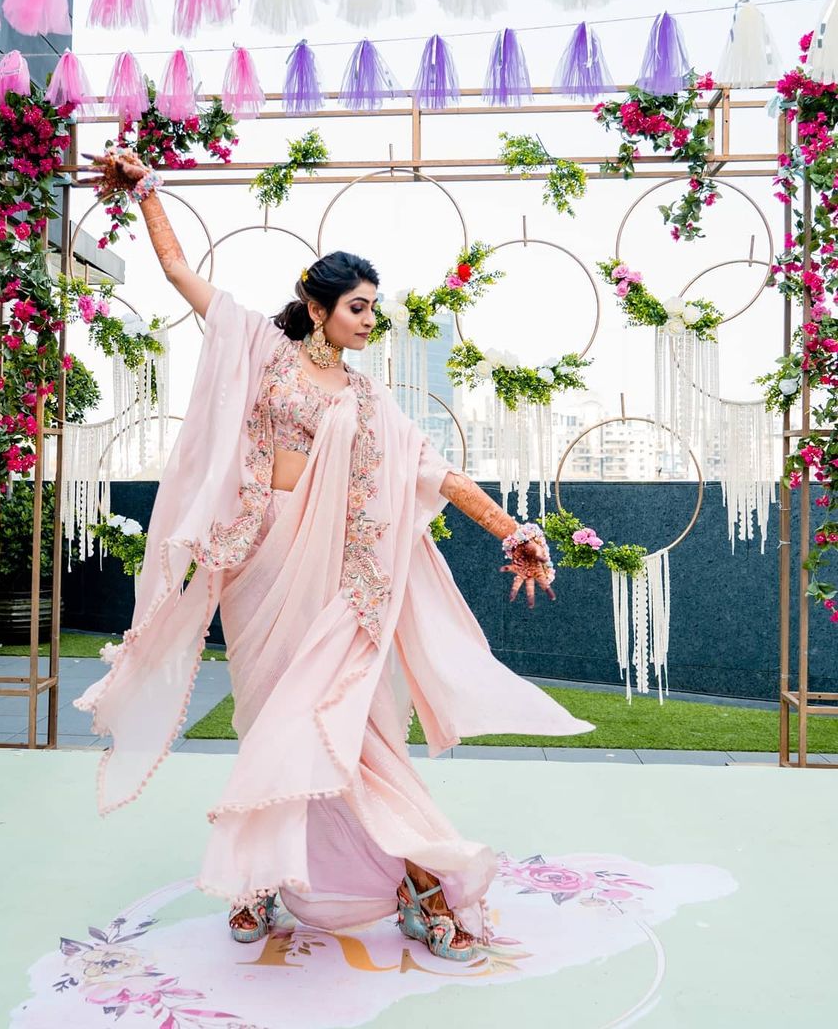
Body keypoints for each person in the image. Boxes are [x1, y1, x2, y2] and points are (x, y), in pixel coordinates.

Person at [75, 153, 592, 961]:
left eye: (373, 310)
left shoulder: (367, 398)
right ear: (316, 307)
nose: (368, 322)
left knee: (352, 733)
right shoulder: (257, 348)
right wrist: (147, 194)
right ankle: (263, 878)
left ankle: (425, 881)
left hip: (335, 582)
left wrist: (509, 528)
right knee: (265, 724)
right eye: (357, 307)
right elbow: (177, 271)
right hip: (258, 566)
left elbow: (433, 471)